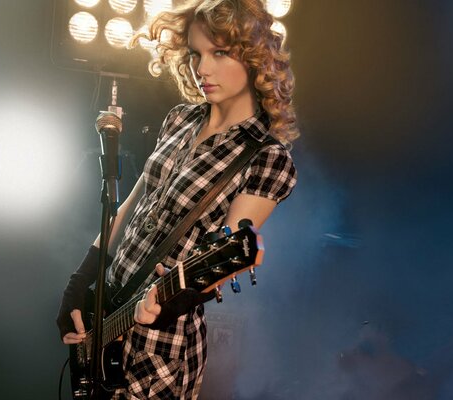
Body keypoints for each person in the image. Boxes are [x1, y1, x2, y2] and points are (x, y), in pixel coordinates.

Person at [57, 0, 299, 398]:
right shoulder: (180, 119)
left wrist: (165, 303)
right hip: (107, 310)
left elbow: (225, 250)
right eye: (195, 54)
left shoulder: (267, 156)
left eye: (219, 52)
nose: (202, 69)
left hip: (161, 350)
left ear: (254, 56)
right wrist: (81, 279)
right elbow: (131, 207)